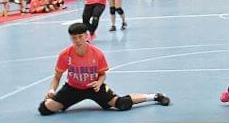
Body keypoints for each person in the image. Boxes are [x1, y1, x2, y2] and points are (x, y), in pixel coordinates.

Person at [38, 23, 170, 115]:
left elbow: (102, 74)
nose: (77, 40)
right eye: (74, 38)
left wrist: (99, 83)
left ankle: (155, 96)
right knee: (44, 109)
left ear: (86, 36)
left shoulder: (97, 53)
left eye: (80, 37)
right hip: (73, 88)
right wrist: (51, 90)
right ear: (70, 38)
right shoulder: (65, 54)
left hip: (94, 87)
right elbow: (57, 76)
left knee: (121, 104)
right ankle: (56, 101)